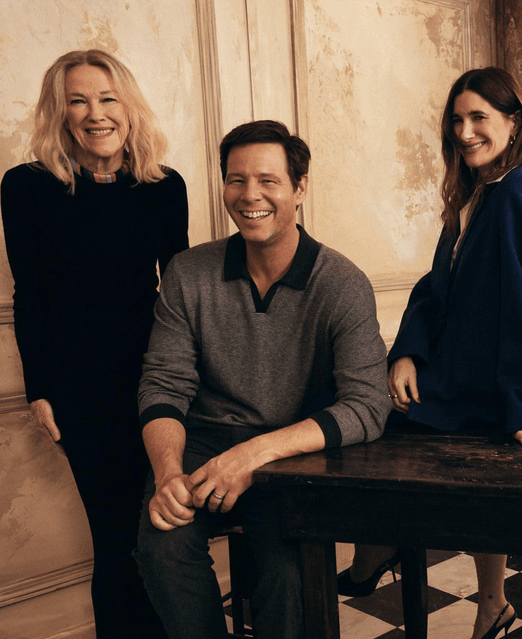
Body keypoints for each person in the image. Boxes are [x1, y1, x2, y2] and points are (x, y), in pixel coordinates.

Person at [338, 67, 522, 639]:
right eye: (457, 119)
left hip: (476, 382)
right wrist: (405, 353)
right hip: (442, 370)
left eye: (480, 118)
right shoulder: (475, 193)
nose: (465, 131)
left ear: (514, 122)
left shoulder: (518, 192)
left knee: (355, 410)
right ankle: (454, 580)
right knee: (357, 400)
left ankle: (383, 543)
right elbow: (431, 288)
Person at [134, 120, 390, 639]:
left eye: (268, 180)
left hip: (295, 451)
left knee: (288, 578)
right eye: (236, 179)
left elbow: (367, 406)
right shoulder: (188, 273)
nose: (250, 195)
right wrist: (166, 474)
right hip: (202, 443)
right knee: (160, 546)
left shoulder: (342, 283)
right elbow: (164, 385)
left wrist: (254, 456)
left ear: (299, 187)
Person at [1, 49, 187, 639]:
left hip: (155, 382)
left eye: (107, 98)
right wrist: (40, 390)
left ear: (128, 108)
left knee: (158, 530)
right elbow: (29, 292)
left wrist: (190, 379)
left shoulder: (163, 186)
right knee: (115, 539)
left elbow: (179, 292)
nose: (94, 113)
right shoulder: (27, 188)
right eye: (77, 100)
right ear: (60, 113)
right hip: (79, 393)